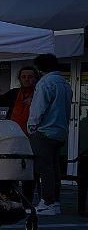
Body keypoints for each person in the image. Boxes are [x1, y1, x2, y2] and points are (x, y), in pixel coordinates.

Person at [28, 53, 71, 216]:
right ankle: (55, 201)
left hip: (45, 131)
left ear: (39, 69)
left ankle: (47, 201)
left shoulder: (45, 83)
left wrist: (32, 128)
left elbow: (38, 109)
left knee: (44, 168)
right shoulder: (65, 83)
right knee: (54, 168)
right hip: (60, 131)